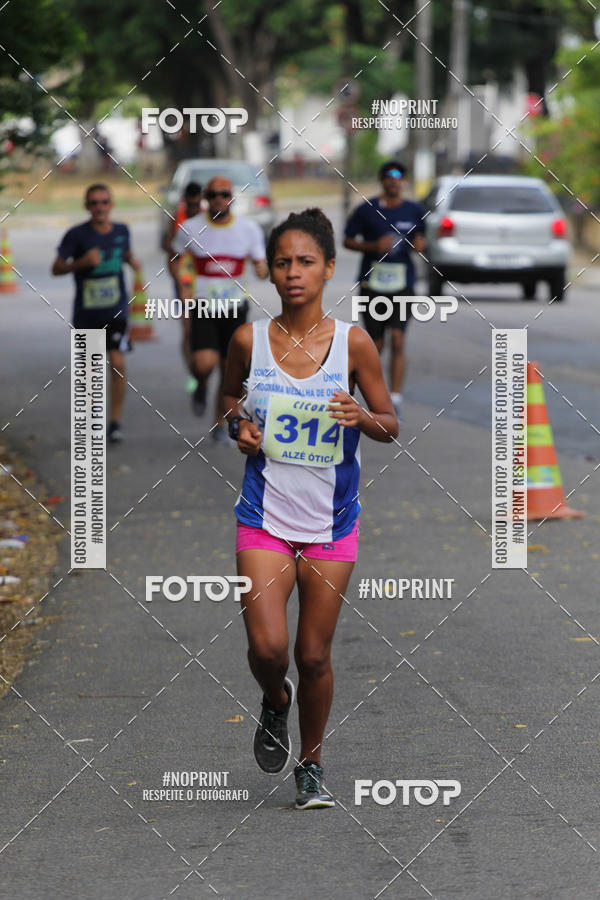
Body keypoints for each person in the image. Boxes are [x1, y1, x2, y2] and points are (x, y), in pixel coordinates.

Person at [222, 209, 399, 809]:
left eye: (305, 262)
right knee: (269, 650)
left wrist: (361, 417)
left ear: (328, 268)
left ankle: (312, 764)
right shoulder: (248, 341)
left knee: (313, 654)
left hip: (331, 525)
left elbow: (390, 424)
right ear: (270, 272)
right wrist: (239, 426)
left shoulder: (354, 343)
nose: (293, 273)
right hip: (264, 518)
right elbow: (230, 399)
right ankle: (276, 699)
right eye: (282, 263)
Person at [169, 176, 268, 434]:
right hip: (203, 305)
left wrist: (262, 269)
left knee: (229, 368)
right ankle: (201, 384)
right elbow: (175, 258)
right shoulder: (190, 227)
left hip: (235, 306)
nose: (219, 200)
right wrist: (183, 287)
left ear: (231, 198)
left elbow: (261, 265)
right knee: (204, 363)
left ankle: (220, 422)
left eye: (224, 194)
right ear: (206, 198)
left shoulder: (249, 229)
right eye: (213, 195)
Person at [52, 184, 140, 443]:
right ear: (87, 207)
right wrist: (81, 263)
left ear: (111, 205)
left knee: (118, 363)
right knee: (90, 372)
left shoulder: (122, 231)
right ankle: (93, 421)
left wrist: (132, 261)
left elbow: (125, 253)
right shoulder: (76, 235)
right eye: (94, 203)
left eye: (104, 202)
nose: (99, 207)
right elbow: (56, 268)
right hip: (87, 314)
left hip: (116, 311)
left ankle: (115, 423)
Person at [343, 160, 426, 423]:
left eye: (398, 177)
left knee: (398, 340)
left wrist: (420, 245)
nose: (394, 181)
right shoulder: (367, 210)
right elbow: (347, 240)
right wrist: (372, 246)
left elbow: (421, 239)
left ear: (403, 181)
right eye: (389, 177)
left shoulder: (414, 210)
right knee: (375, 344)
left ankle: (396, 399)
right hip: (373, 286)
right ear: (382, 181)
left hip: (403, 285)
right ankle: (358, 394)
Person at [162, 181, 203, 393]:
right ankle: (194, 375)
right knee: (188, 330)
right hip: (185, 282)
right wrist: (180, 285)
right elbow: (171, 257)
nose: (194, 208)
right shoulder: (176, 219)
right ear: (184, 201)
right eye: (190, 204)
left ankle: (204, 369)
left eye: (197, 204)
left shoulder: (208, 219)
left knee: (205, 329)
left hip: (205, 283)